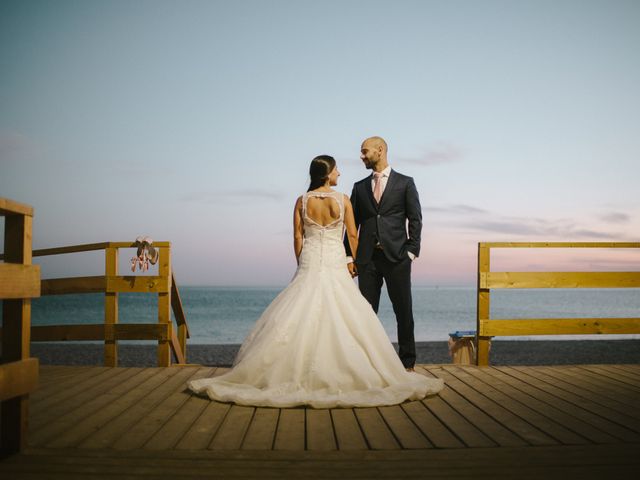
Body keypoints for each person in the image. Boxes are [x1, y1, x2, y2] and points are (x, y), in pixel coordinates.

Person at [188, 155, 443, 408]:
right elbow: (353, 234)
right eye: (336, 170)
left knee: (299, 310)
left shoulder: (301, 201)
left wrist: (302, 260)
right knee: (347, 312)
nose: (339, 174)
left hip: (311, 259)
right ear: (327, 173)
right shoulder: (343, 200)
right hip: (333, 260)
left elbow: (298, 237)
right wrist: (355, 261)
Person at [345, 136, 421, 371]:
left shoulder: (405, 183)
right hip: (367, 260)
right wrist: (350, 257)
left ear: (380, 150)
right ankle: (366, 362)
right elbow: (351, 226)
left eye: (365, 151)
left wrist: (411, 251)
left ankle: (407, 362)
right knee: (366, 313)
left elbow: (415, 219)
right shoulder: (359, 187)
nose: (362, 156)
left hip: (398, 257)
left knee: (403, 311)